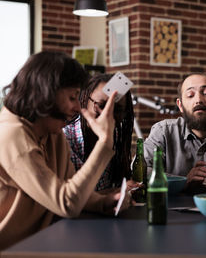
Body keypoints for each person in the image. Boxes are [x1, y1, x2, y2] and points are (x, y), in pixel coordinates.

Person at [0, 51, 131, 250]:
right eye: (72, 97)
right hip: (12, 250)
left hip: (42, 243)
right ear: (45, 93)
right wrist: (104, 144)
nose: (78, 107)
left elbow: (70, 188)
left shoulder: (52, 132)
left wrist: (104, 201)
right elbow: (67, 203)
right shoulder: (11, 135)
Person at [63, 74, 134, 191]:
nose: (108, 114)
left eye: (117, 110)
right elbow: (73, 196)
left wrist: (120, 190)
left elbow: (102, 190)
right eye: (101, 106)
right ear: (84, 101)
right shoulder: (65, 138)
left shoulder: (115, 137)